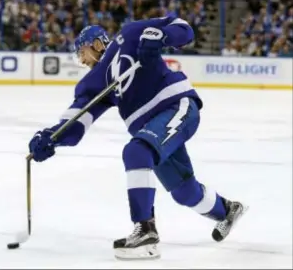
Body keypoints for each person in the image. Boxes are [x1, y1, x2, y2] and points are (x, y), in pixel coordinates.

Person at [28, 17, 248, 260]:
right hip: (152, 129)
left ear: (97, 44)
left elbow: (184, 27)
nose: (81, 60)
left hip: (176, 106)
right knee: (184, 191)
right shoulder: (95, 82)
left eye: (83, 52)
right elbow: (75, 124)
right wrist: (51, 137)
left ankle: (146, 232)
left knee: (136, 152)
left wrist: (162, 36)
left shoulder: (131, 34)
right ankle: (228, 210)